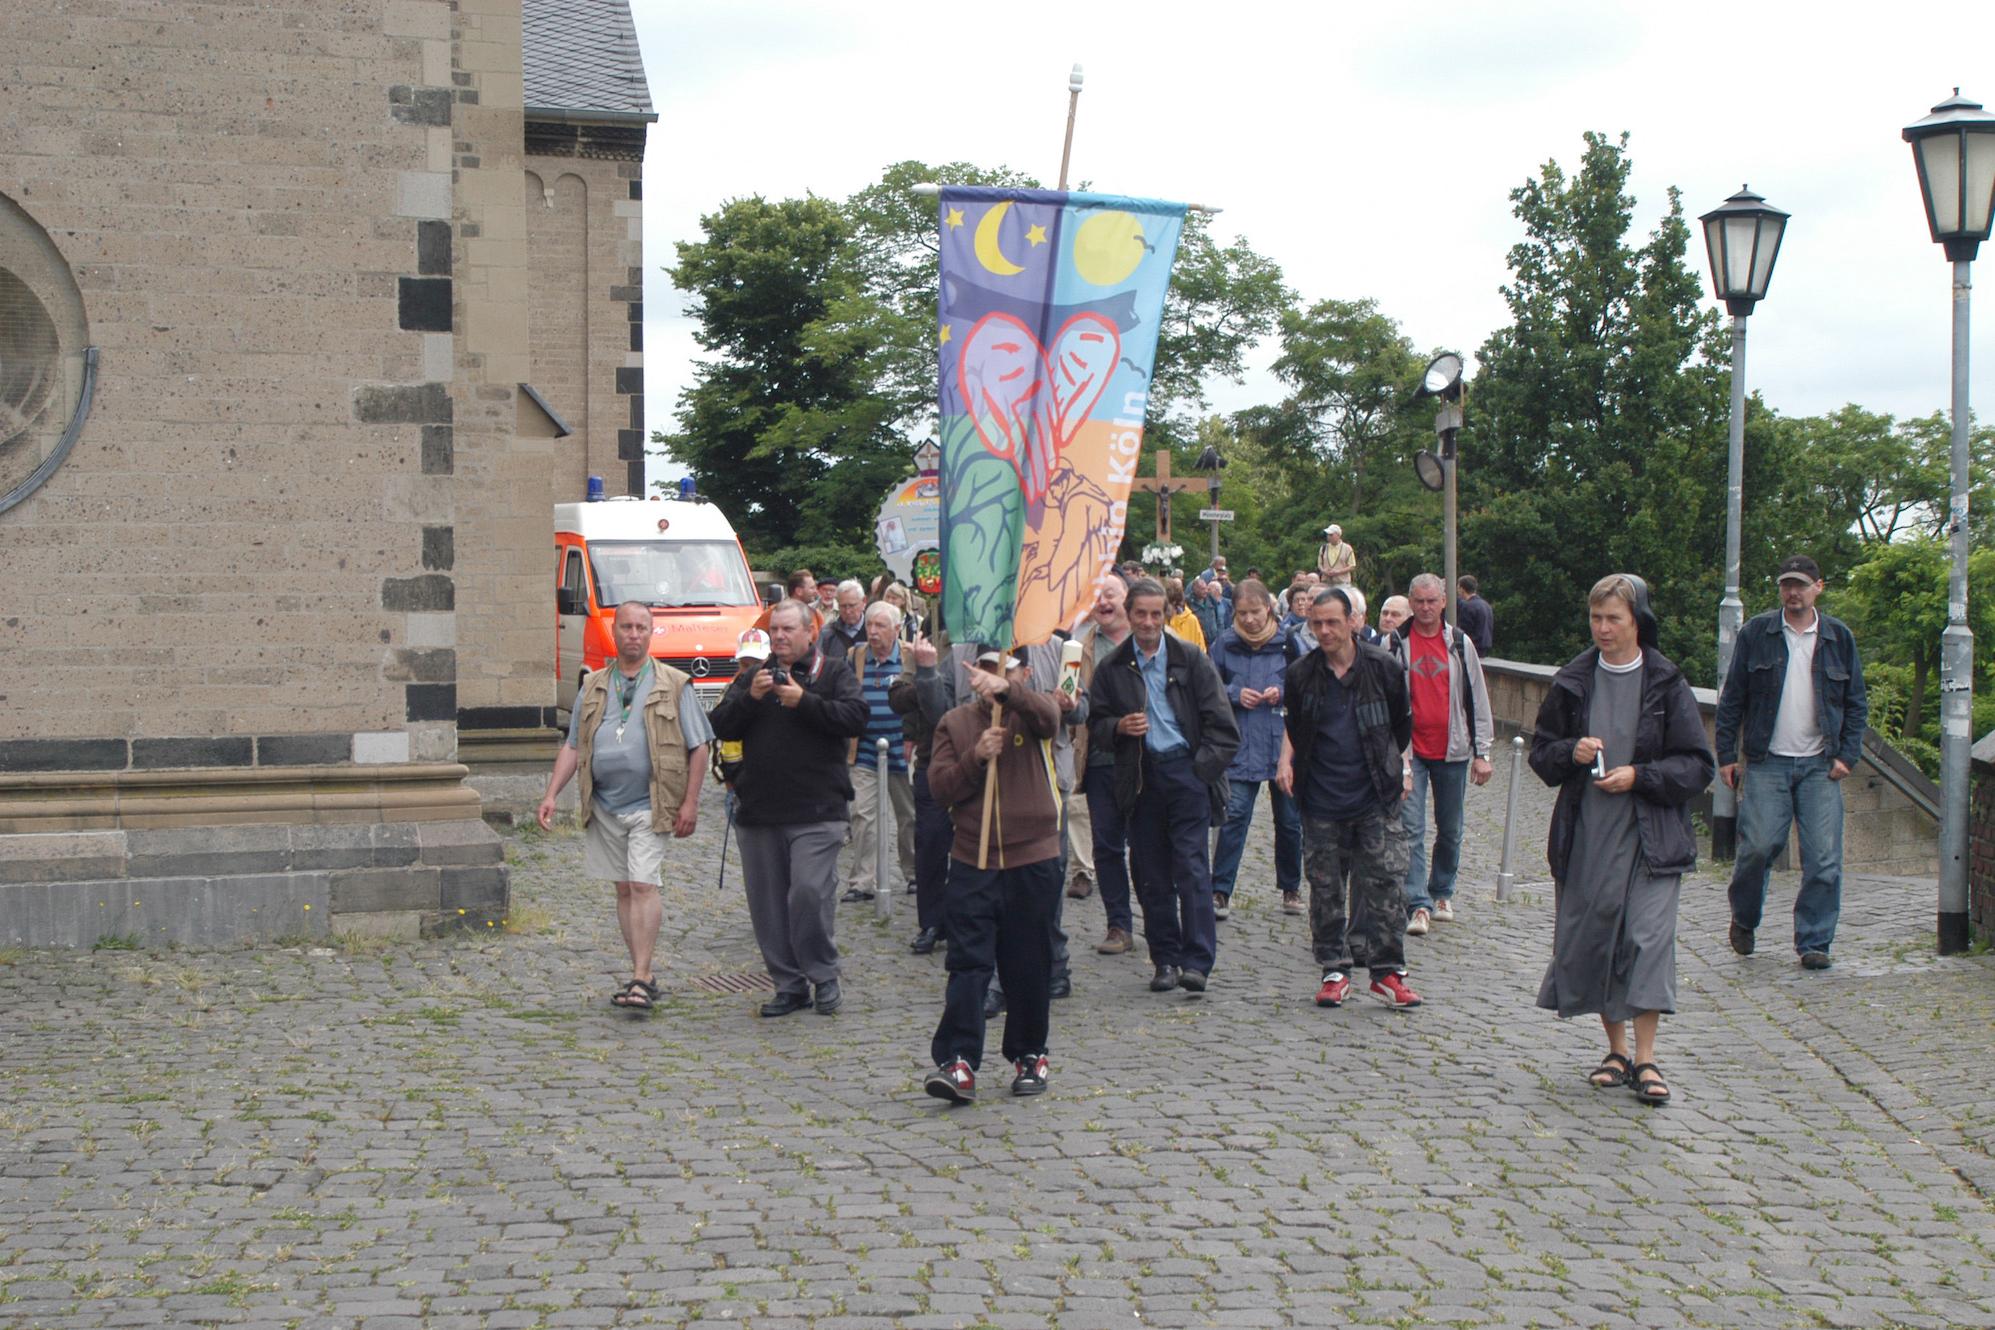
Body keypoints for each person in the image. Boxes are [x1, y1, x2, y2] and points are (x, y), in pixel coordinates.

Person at [1530, 574, 1713, 1105]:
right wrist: (1572, 753)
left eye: (1614, 619)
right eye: (1596, 619)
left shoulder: (1666, 682)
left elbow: (1696, 765)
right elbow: (1543, 755)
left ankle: (1649, 1057)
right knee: (1602, 935)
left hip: (1653, 835)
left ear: (1638, 622)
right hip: (1589, 831)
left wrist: (1642, 776)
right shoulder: (1573, 680)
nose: (1603, 629)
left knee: (1648, 938)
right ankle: (1616, 1050)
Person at [536, 602, 711, 1011]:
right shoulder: (594, 684)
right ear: (615, 632)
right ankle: (641, 971)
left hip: (652, 801)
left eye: (641, 628)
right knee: (623, 886)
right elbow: (574, 744)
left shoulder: (674, 684)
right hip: (604, 804)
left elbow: (699, 746)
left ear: (652, 633)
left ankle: (640, 976)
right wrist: (550, 794)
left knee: (643, 883)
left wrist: (691, 803)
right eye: (627, 627)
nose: (634, 634)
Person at [709, 598, 869, 1017]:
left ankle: (824, 976)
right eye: (774, 630)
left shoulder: (832, 671)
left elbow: (855, 718)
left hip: (818, 810)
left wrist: (806, 702)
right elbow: (719, 724)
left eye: (787, 630)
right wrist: (751, 699)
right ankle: (788, 984)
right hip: (759, 811)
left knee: (809, 894)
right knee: (767, 906)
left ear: (810, 632)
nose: (779, 637)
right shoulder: (753, 677)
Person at [922, 648, 1066, 1103]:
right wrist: (976, 758)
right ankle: (959, 1060)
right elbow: (940, 786)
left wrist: (1013, 692)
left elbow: (1051, 719)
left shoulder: (1032, 708)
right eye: (984, 669)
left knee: (1028, 963)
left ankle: (1029, 1054)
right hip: (973, 859)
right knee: (968, 962)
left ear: (1022, 672)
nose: (991, 678)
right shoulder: (956, 722)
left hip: (1033, 858)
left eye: (1002, 669)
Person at [1715, 554, 1869, 970]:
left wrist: (1847, 756)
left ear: (1819, 587)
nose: (1793, 592)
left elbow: (1856, 702)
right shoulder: (1756, 634)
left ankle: (1814, 942)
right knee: (1757, 849)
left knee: (1823, 858)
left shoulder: (1839, 637)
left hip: (1821, 763)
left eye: (1801, 584)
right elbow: (1732, 700)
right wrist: (1726, 755)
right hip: (1767, 761)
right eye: (1787, 584)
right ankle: (1744, 918)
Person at [1089, 578, 1240, 994]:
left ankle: (1197, 961)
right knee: (1150, 873)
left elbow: (1223, 728)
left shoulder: (1191, 659)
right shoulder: (1114, 666)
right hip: (1140, 776)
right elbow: (1095, 725)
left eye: (1157, 614)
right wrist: (1118, 727)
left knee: (1192, 867)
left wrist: (1200, 769)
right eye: (1141, 613)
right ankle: (1165, 959)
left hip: (1185, 772)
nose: (1149, 622)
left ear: (1166, 615)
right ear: (1130, 614)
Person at [1277, 586, 1420, 1011]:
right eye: (1316, 623)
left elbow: (1401, 727)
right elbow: (1296, 727)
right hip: (1320, 798)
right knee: (1325, 889)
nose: (1324, 631)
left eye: (1332, 622)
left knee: (1386, 885)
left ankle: (1388, 971)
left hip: (1374, 796)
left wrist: (1396, 770)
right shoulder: (1300, 674)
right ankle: (1334, 970)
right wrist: (1289, 764)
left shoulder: (1383, 668)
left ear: (1352, 622)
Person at [1397, 573, 1495, 936]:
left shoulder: (1458, 643)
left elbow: (1477, 697)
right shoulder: (1397, 642)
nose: (1424, 608)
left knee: (1450, 829)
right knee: (1411, 828)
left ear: (1443, 603)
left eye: (1431, 601)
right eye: (1418, 601)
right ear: (1411, 602)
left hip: (1452, 749)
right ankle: (1418, 902)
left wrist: (1482, 751)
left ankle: (1442, 891)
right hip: (1410, 751)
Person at [1209, 580, 1304, 917]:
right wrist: (1235, 693)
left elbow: (1308, 683)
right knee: (1233, 819)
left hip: (1282, 746)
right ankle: (1220, 890)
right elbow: (1207, 687)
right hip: (1240, 744)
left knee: (1290, 821)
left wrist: (1281, 690)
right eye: (1241, 613)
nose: (1248, 619)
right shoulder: (1224, 643)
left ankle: (1291, 888)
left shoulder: (1289, 642)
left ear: (1268, 607)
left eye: (1254, 612)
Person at [1072, 575, 1138, 953]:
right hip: (1098, 760)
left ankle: (1159, 919)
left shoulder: (1151, 641)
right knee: (1107, 846)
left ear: (1127, 598)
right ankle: (1118, 926)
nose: (1102, 601)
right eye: (1094, 596)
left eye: (1109, 593)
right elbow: (1071, 705)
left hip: (1147, 761)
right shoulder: (1079, 648)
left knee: (1147, 848)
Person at [842, 602, 916, 904]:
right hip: (865, 749)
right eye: (869, 625)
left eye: (880, 626)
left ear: (897, 629)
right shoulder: (856, 657)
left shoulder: (910, 656)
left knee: (909, 815)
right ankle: (863, 880)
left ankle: (914, 873)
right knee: (862, 814)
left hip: (904, 747)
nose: (872, 631)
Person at [891, 631, 953, 955]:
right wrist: (927, 681)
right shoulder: (927, 642)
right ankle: (930, 921)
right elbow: (898, 697)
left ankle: (965, 918)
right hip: (933, 759)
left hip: (978, 762)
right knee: (929, 842)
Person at [818, 579, 867, 663]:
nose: (848, 611)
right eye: (843, 606)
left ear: (864, 602)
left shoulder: (873, 632)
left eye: (852, 606)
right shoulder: (827, 634)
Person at [1456, 575, 1495, 658]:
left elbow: (1464, 631)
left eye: (1458, 588)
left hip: (1472, 649)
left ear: (1462, 589)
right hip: (1485, 648)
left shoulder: (1467, 607)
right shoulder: (1486, 604)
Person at [1163, 576, 1207, 650]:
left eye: (1165, 606)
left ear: (1174, 602)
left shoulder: (1191, 620)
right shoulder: (1157, 622)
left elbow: (1201, 650)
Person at [1188, 574, 1232, 645]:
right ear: (1195, 589)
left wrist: (1219, 636)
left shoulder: (1211, 599)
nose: (1205, 591)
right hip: (1199, 641)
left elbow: (1219, 619)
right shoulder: (1188, 602)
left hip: (1214, 640)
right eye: (1202, 589)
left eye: (1206, 588)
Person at [1376, 595, 1411, 668]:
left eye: (1395, 615)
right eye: (1385, 613)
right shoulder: (1368, 645)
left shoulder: (1413, 647)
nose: (1387, 619)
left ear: (1409, 618)